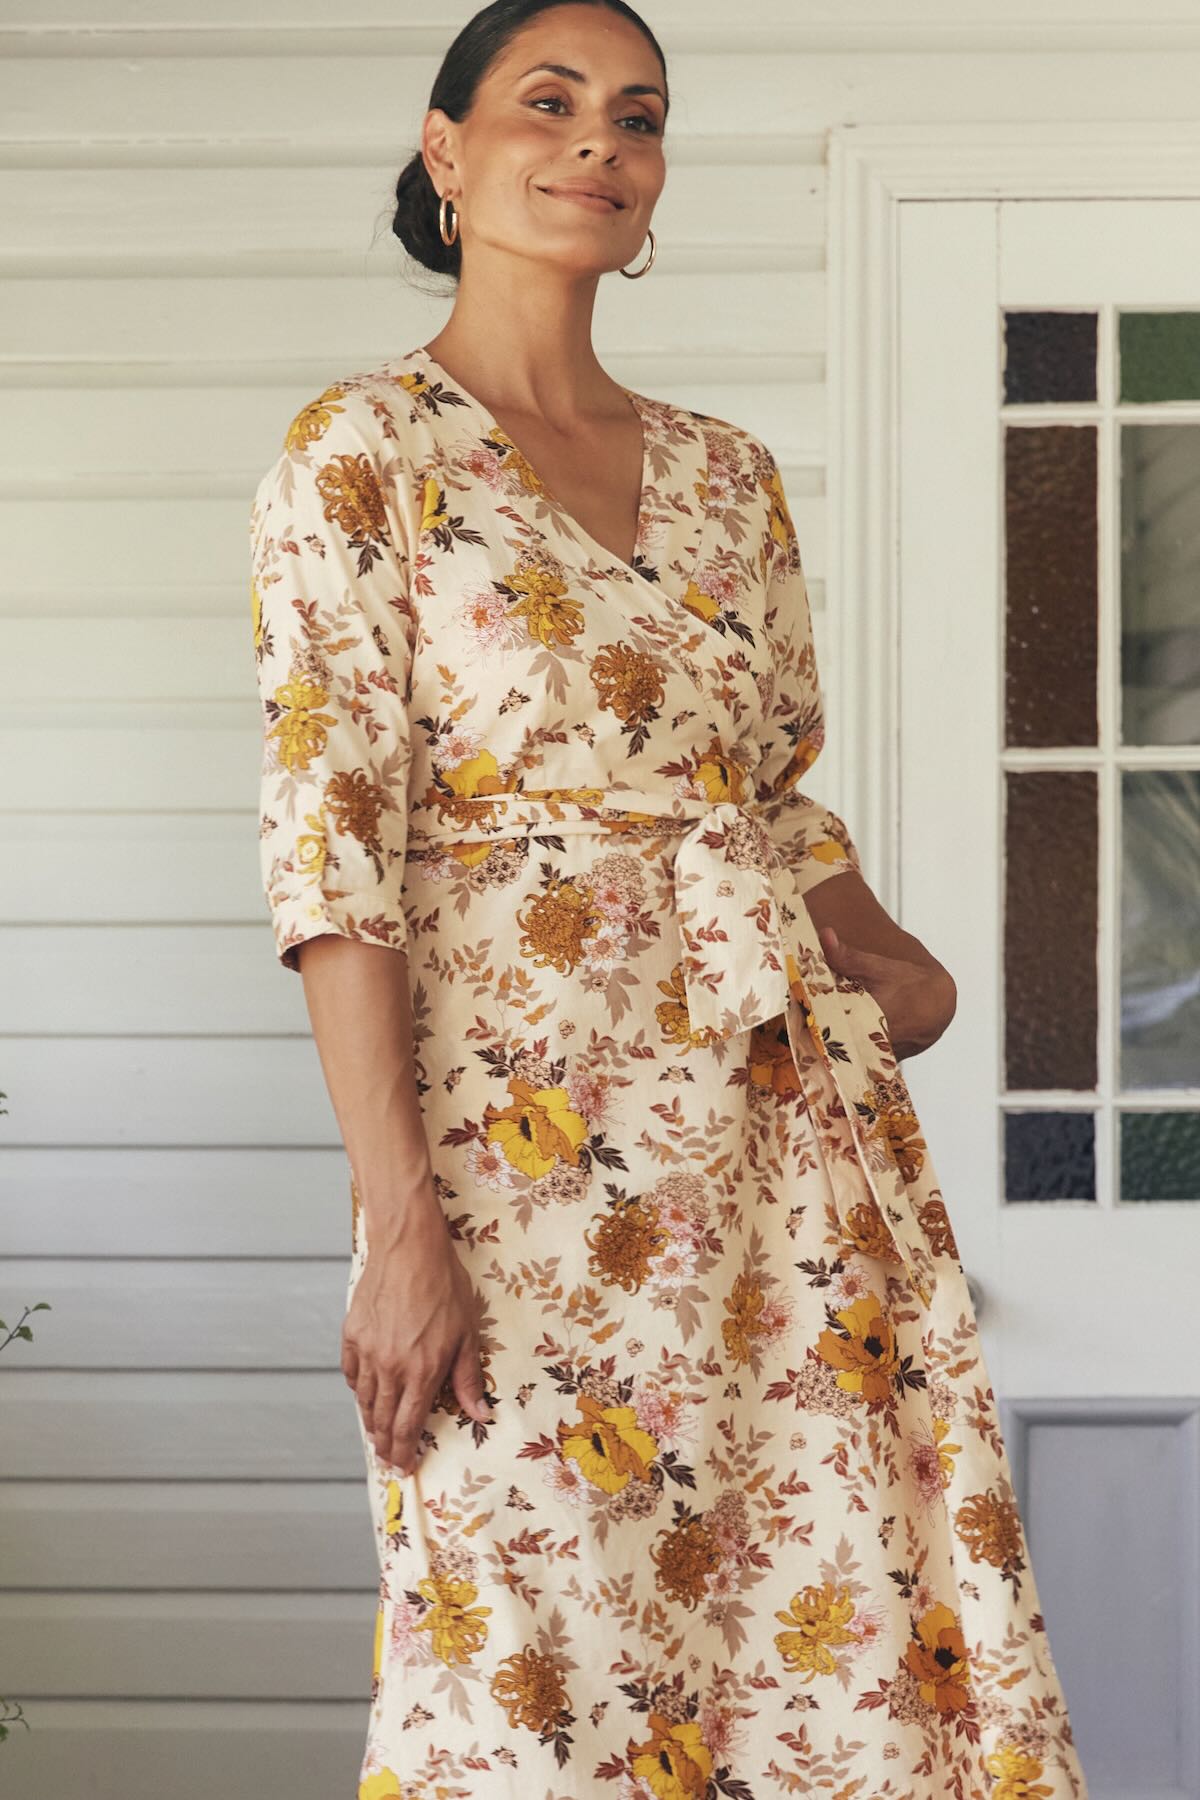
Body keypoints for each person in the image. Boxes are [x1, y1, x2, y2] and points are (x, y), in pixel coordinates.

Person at [248, 3, 1088, 1795]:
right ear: (446, 150)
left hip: (775, 1138)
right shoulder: (362, 453)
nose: (599, 144)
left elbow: (773, 797)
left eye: (637, 117)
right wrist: (398, 1228)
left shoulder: (728, 477)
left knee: (817, 1625)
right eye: (547, 104)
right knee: (533, 1661)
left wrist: (889, 956)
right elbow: (336, 860)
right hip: (514, 1159)